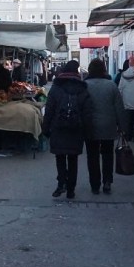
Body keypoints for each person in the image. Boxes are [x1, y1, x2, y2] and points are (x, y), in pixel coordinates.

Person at [42, 60, 93, 199]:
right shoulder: (83, 89)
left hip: (58, 128)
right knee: (73, 159)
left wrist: (45, 128)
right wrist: (87, 131)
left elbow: (49, 111)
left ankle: (61, 183)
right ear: (77, 72)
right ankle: (71, 189)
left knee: (60, 157)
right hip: (76, 129)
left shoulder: (56, 88)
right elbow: (87, 113)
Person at [83, 58, 127, 195]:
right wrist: (122, 126)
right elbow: (119, 108)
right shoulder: (111, 85)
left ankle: (95, 185)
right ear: (104, 70)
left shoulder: (84, 85)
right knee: (108, 155)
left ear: (90, 70)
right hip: (108, 126)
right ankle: (107, 182)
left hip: (90, 126)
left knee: (92, 156)